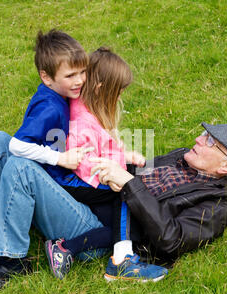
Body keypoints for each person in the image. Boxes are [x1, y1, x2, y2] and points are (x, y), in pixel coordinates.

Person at [0, 29, 100, 294]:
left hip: (85, 224)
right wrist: (61, 158)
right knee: (1, 143)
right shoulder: (50, 105)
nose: (80, 80)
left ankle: (8, 257)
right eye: (70, 75)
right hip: (68, 193)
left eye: (83, 72)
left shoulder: (60, 94)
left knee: (7, 150)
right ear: (46, 78)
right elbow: (17, 145)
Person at [39, 47, 166, 281]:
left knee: (119, 227)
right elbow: (82, 159)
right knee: (127, 192)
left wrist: (124, 155)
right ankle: (121, 261)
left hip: (88, 178)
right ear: (101, 88)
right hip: (78, 180)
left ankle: (65, 248)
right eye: (117, 92)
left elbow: (102, 145)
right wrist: (109, 178)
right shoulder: (82, 120)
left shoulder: (90, 108)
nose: (119, 98)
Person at [87, 122, 227, 278]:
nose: (198, 139)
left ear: (226, 166)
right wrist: (122, 159)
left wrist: (129, 184)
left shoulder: (222, 201)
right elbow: (137, 170)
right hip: (98, 193)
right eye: (204, 134)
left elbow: (172, 240)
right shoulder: (181, 155)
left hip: (100, 225)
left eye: (210, 141)